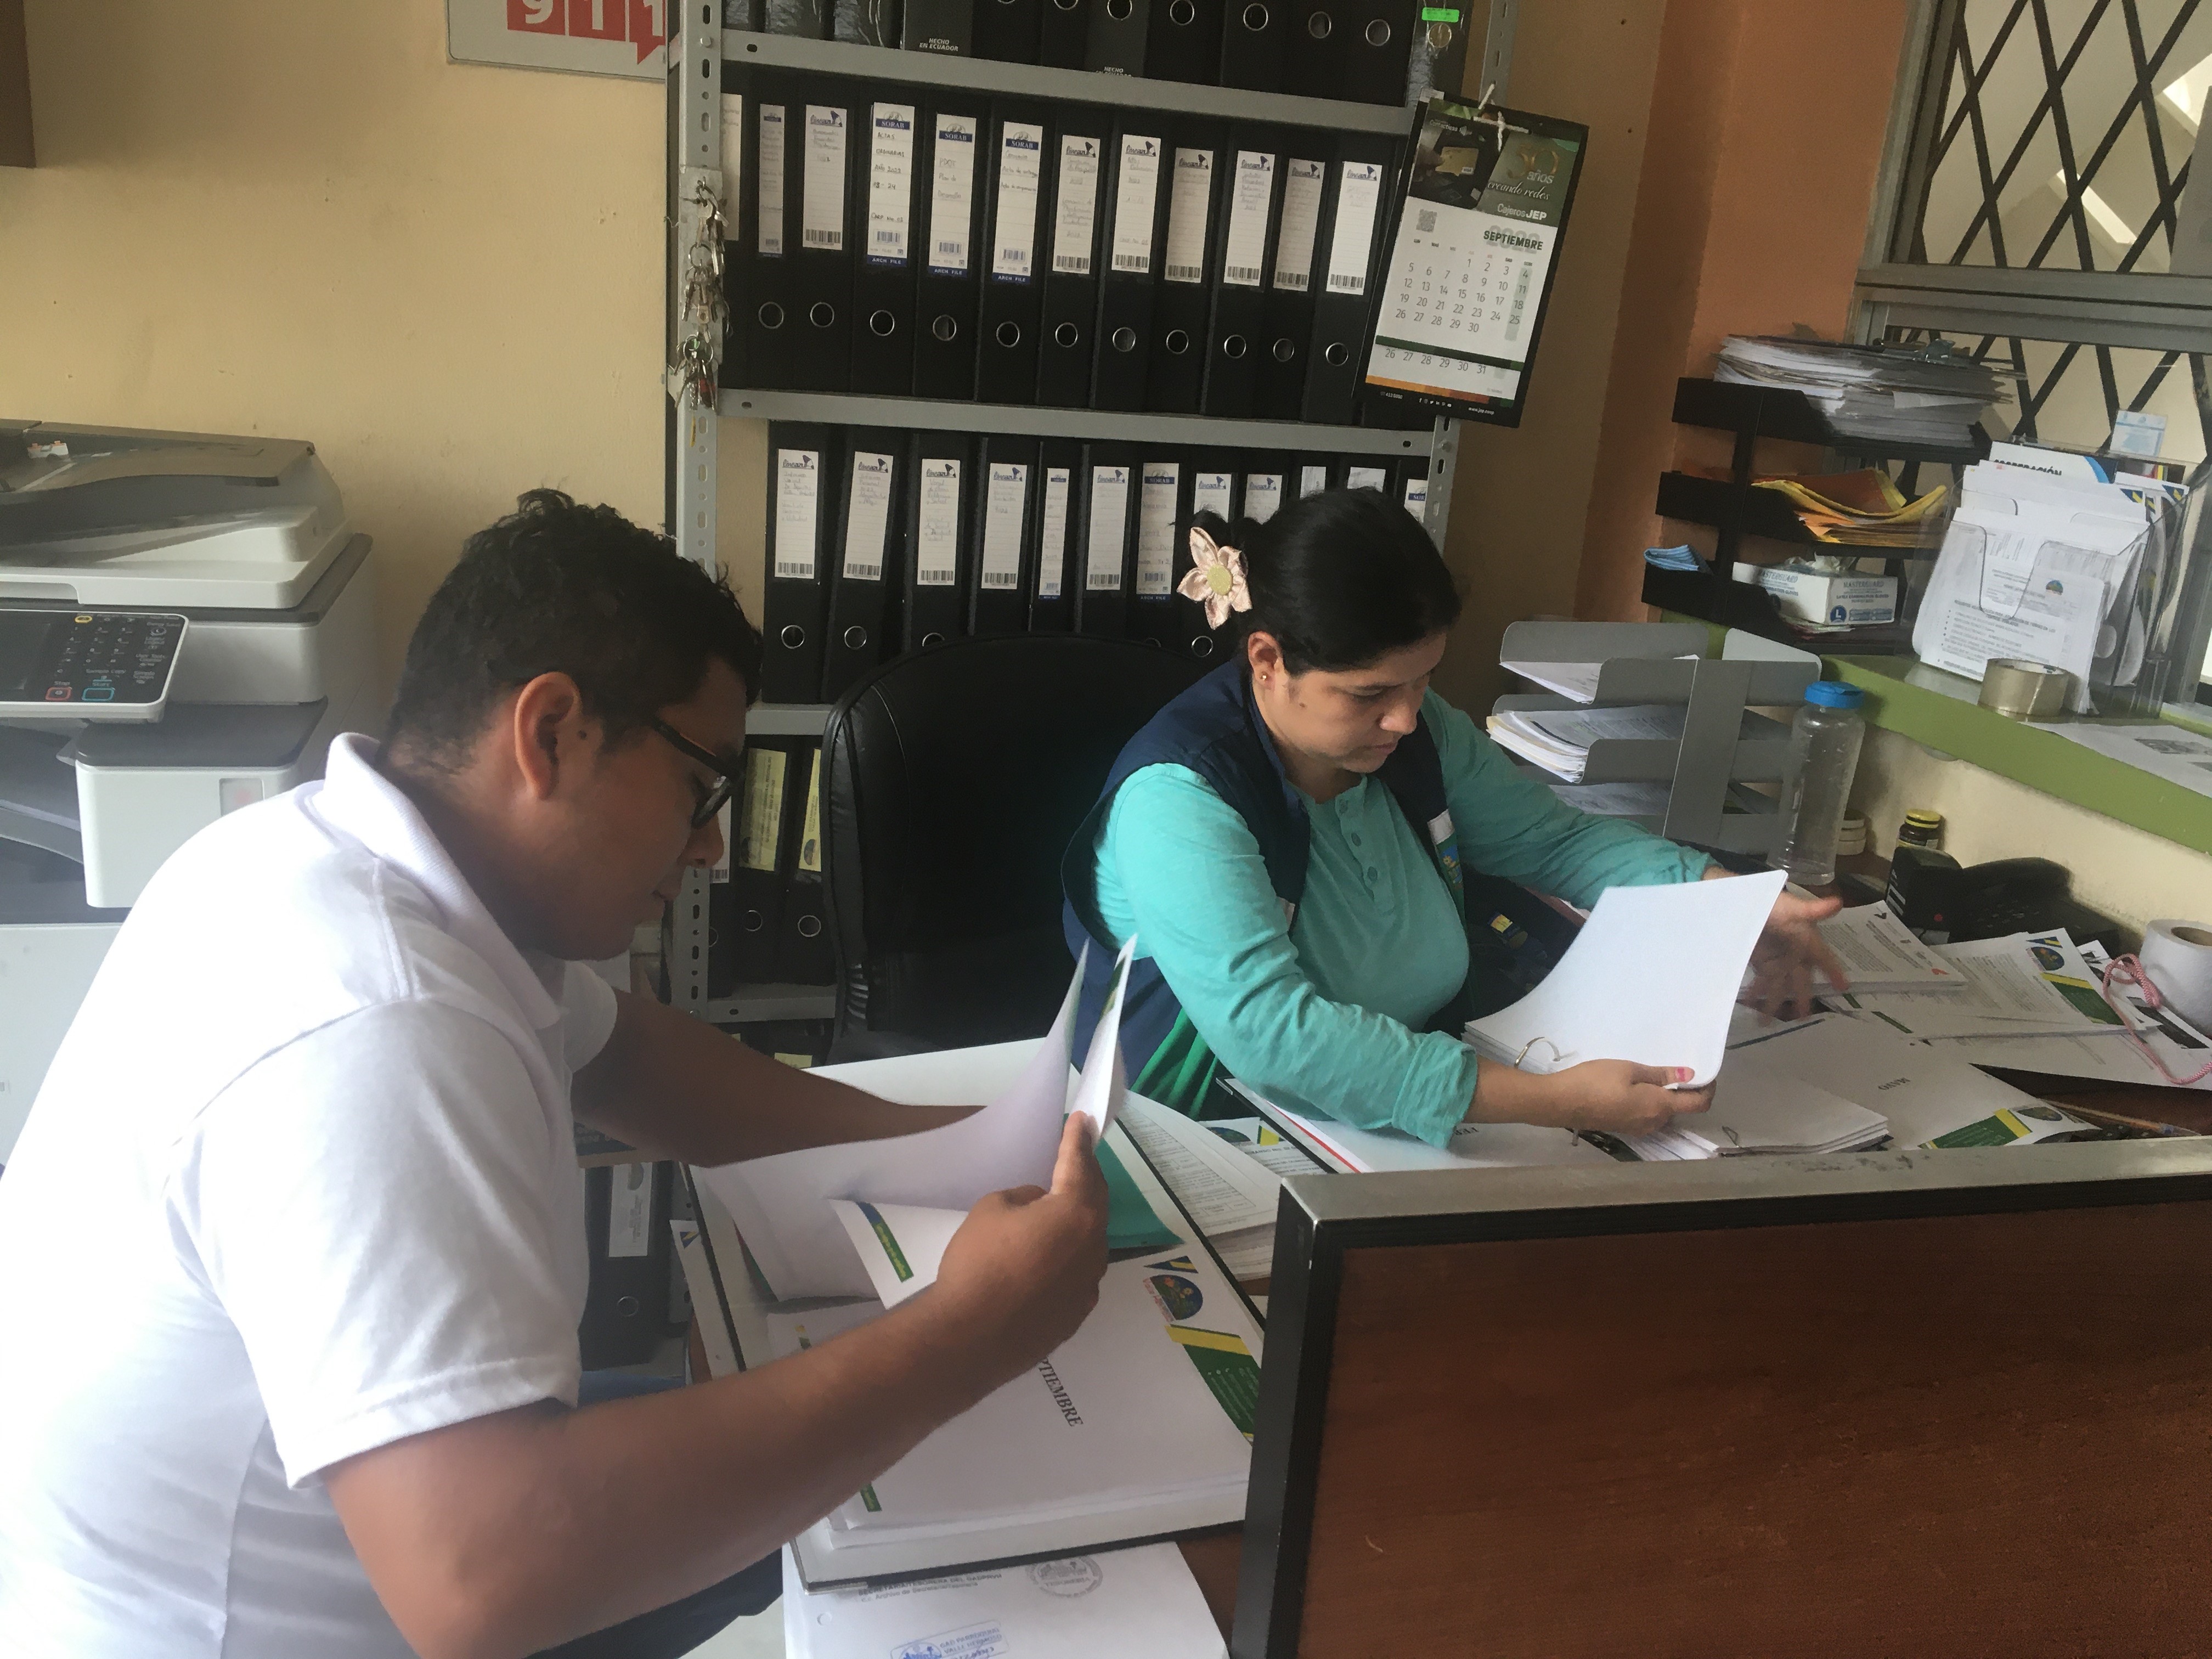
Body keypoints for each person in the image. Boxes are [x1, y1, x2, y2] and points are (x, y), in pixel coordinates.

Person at [0, 491, 1109, 1659]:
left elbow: (639, 1061)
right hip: (310, 1616)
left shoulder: (348, 857)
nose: (710, 848)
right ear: (554, 732)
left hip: (355, 1536)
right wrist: (973, 1329)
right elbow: (484, 1586)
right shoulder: (378, 1021)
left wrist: (972, 1147)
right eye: (702, 787)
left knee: (842, 1480)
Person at [1061, 487, 1843, 1144]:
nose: (1406, 719)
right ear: (1268, 661)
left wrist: (1731, 903)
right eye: (1370, 694)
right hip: (1216, 1130)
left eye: (1424, 680)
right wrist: (1555, 1103)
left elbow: (1555, 842)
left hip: (1412, 1103)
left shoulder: (1415, 732)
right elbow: (1272, 1036)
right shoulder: (1179, 801)